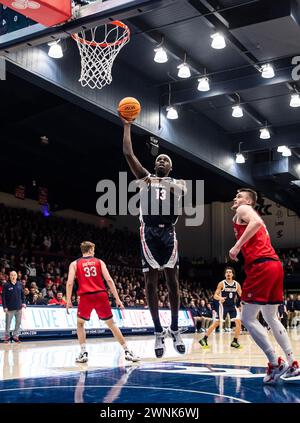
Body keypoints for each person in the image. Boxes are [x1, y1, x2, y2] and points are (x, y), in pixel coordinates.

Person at [121, 115, 186, 358]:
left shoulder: (176, 182)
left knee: (173, 282)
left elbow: (181, 190)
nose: (161, 160)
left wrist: (156, 180)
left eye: (165, 160)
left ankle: (176, 328)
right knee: (151, 284)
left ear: (170, 167)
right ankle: (158, 331)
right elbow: (129, 154)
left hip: (169, 233)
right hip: (148, 232)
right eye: (159, 158)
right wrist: (127, 125)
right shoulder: (145, 178)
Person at [229, 188, 300, 384]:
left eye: (241, 196)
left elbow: (257, 222)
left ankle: (274, 362)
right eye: (237, 197)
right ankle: (292, 362)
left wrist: (236, 247)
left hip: (261, 265)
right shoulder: (250, 215)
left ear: (249, 202)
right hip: (274, 265)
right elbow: (259, 225)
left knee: (247, 318)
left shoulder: (244, 210)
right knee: (270, 316)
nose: (237, 199)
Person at [66, 241, 140, 363]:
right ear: (90, 250)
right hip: (100, 295)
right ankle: (127, 351)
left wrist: (68, 300)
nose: (94, 252)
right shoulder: (99, 262)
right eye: (93, 250)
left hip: (85, 297)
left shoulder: (74, 264)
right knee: (111, 324)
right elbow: (109, 280)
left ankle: (83, 352)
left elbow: (69, 282)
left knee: (80, 324)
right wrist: (118, 299)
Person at [199, 267, 242, 348]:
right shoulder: (222, 283)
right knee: (217, 323)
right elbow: (215, 295)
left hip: (232, 306)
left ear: (232, 274)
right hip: (223, 306)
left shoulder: (237, 284)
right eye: (227, 272)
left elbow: (241, 295)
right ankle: (204, 339)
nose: (228, 273)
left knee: (238, 322)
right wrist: (220, 298)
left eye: (230, 272)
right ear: (225, 274)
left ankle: (235, 341)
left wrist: (243, 302)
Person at [2, 270, 26, 343]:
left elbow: (22, 295)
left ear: (16, 276)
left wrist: (24, 302)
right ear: (9, 276)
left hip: (19, 308)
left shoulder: (19, 284)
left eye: (14, 275)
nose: (13, 276)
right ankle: (7, 336)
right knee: (8, 323)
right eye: (11, 275)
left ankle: (15, 336)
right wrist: (4, 307)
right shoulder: (6, 285)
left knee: (18, 323)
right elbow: (3, 297)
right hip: (9, 308)